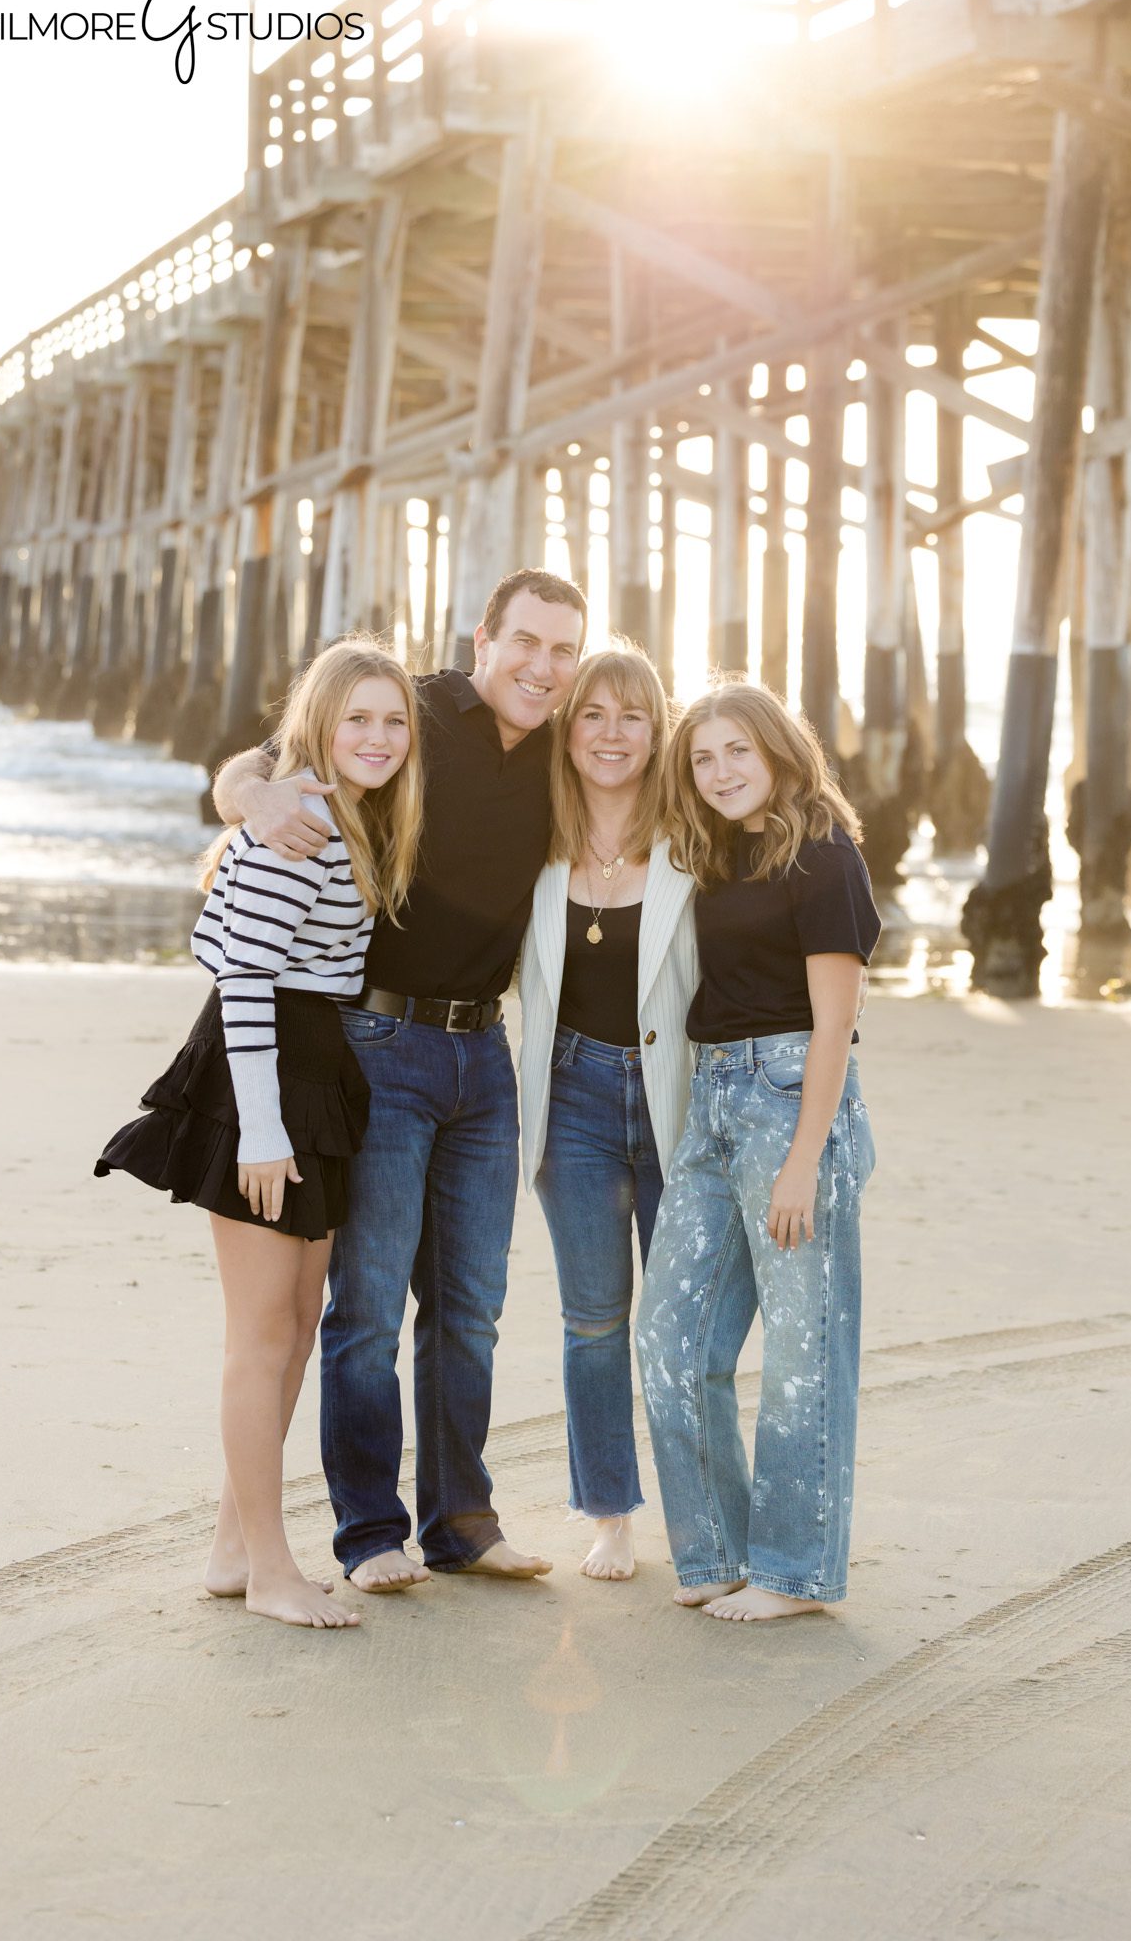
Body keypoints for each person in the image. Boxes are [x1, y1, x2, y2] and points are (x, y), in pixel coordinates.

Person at [212, 569, 586, 1591]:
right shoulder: (413, 712)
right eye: (525, 641)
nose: (541, 667)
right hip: (379, 1044)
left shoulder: (565, 746)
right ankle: (370, 1533)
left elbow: (661, 767)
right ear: (484, 638)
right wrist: (252, 795)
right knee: (367, 1307)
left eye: (562, 650)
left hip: (484, 1056)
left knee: (469, 1307)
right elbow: (268, 755)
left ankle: (461, 1523)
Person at [95, 637, 422, 1628]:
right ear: (318, 724)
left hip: (309, 1062)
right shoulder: (302, 826)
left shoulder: (339, 816)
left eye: (394, 720)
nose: (379, 736)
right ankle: (272, 1568)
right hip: (263, 1069)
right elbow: (243, 978)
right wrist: (262, 1132)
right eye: (357, 718)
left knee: (297, 1319)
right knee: (262, 1332)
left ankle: (236, 1547)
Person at [635, 681, 880, 1624]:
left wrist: (804, 1158)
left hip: (790, 1103)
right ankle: (714, 1553)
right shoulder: (709, 851)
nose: (720, 770)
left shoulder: (825, 855)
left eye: (737, 749)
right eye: (702, 757)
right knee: (670, 1339)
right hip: (711, 1101)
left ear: (779, 749)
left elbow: (835, 1025)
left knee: (802, 1350)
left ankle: (792, 1574)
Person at [518, 647, 698, 1582]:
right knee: (593, 1322)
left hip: (676, 1098)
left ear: (656, 733)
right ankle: (609, 1515)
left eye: (632, 716)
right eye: (592, 714)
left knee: (679, 1325)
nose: (611, 734)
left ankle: (699, 1518)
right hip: (572, 1096)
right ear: (567, 731)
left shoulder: (692, 837)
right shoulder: (531, 839)